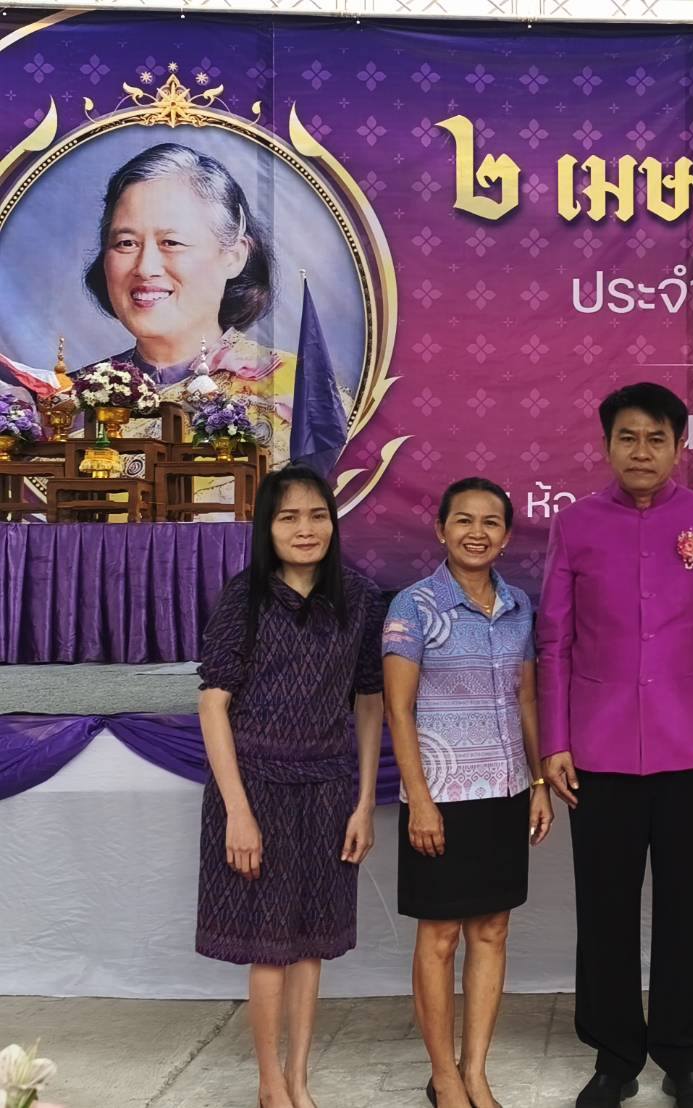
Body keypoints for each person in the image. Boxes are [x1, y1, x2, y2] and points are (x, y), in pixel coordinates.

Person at [536, 382, 693, 1108]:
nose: (641, 451)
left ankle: (685, 1058)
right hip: (596, 752)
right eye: (627, 437)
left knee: (687, 908)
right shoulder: (575, 525)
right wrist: (555, 740)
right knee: (605, 908)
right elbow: (555, 639)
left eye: (656, 438)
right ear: (606, 445)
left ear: (678, 447)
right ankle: (614, 1056)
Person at [195, 464, 386, 1108]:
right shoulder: (244, 596)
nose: (306, 529)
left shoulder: (360, 598)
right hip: (257, 788)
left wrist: (363, 802)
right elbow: (213, 703)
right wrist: (237, 812)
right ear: (267, 528)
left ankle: (300, 1080)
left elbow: (369, 702)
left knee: (312, 946)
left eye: (317, 516)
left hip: (328, 790)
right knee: (271, 947)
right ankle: (270, 1085)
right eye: (288, 517)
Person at [383, 477, 554, 1108]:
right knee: (440, 938)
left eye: (490, 523)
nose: (476, 533)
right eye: (463, 520)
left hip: (505, 792)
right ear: (441, 529)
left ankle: (475, 1069)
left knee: (491, 931)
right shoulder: (413, 606)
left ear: (506, 537)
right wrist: (420, 800)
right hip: (441, 796)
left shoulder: (518, 607)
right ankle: (444, 1077)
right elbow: (398, 710)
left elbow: (527, 700)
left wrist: (538, 783)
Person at [83, 142, 296, 460]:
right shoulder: (70, 401)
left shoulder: (298, 391)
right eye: (126, 243)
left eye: (171, 242)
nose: (145, 268)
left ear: (233, 257)